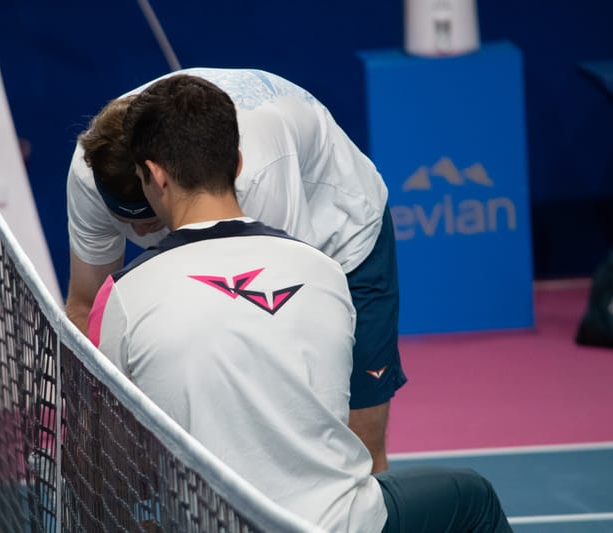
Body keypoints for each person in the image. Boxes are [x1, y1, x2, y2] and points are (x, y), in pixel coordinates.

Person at [88, 74, 512, 532]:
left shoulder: (120, 297)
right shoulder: (324, 272)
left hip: (205, 524)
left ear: (155, 175)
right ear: (237, 163)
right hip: (337, 525)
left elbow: (115, 470)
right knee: (473, 496)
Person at [66, 67, 404, 472]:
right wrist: (86, 427)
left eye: (150, 221)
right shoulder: (89, 173)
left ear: (158, 179)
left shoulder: (256, 178)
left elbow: (283, 319)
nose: (142, 234)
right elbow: (84, 305)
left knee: (356, 447)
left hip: (345, 237)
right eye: (125, 222)